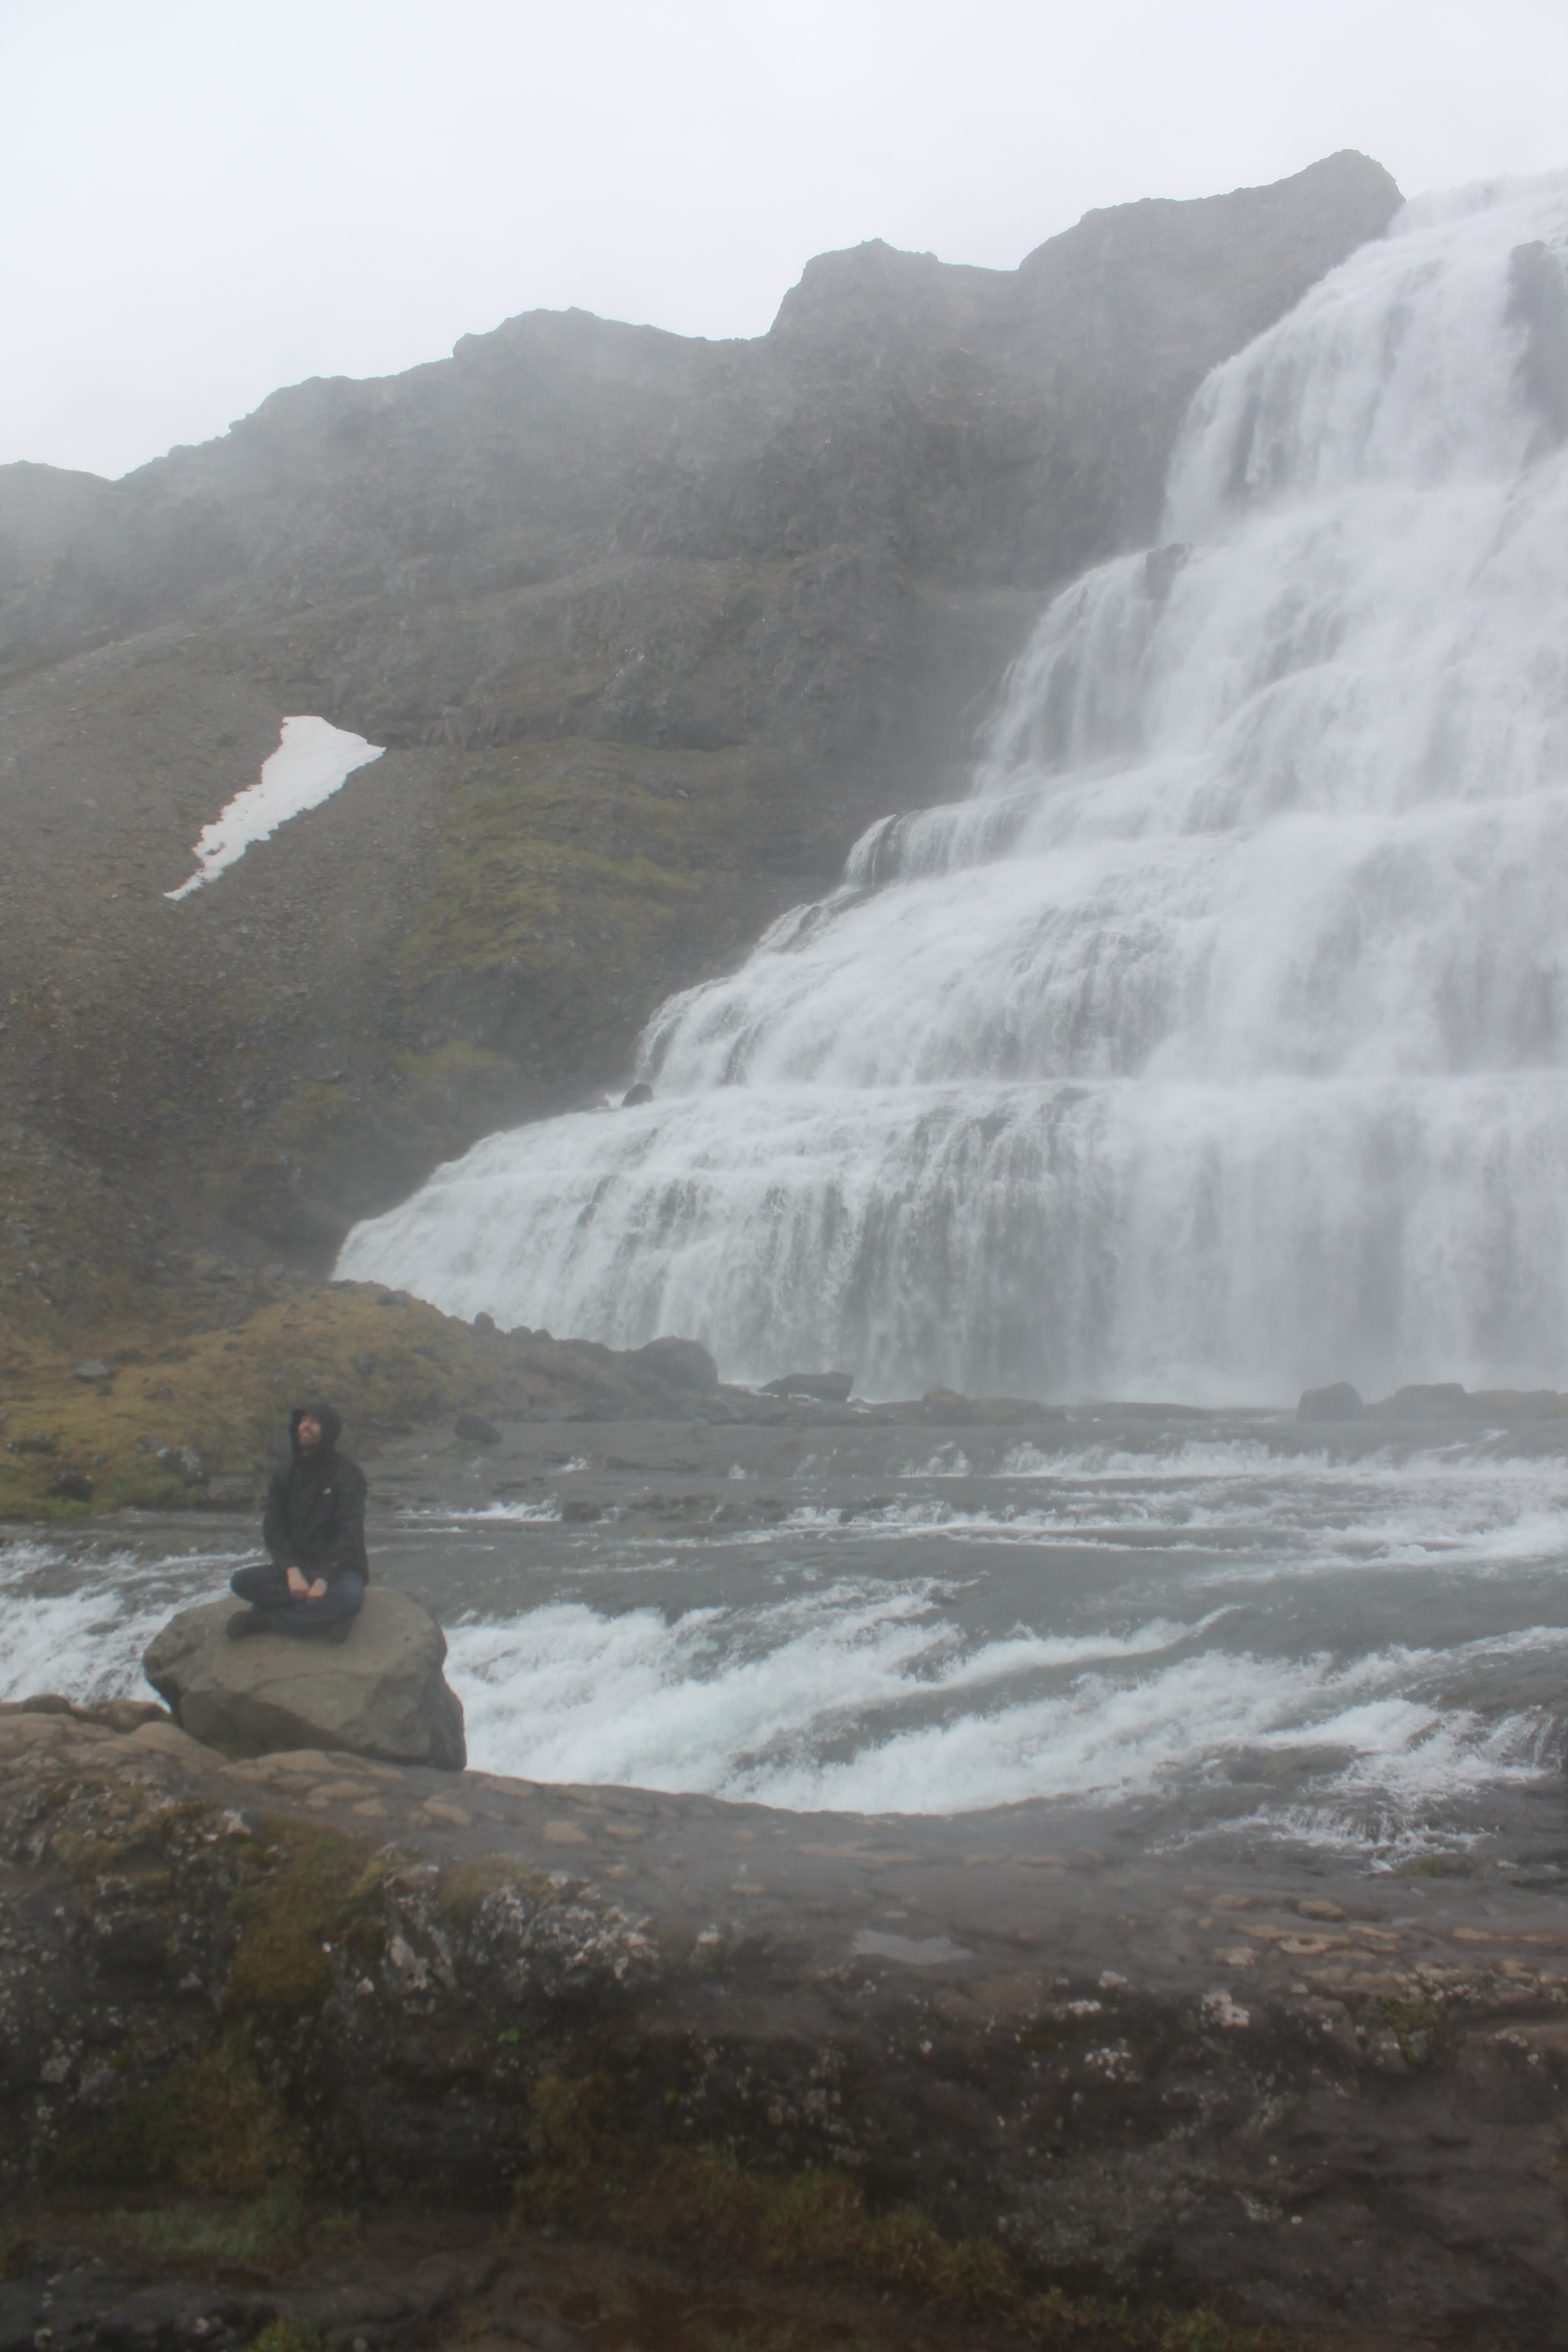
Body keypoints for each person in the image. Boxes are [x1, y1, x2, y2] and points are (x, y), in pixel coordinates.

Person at [228, 1401, 368, 1640]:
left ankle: (268, 1620)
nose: (306, 1426)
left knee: (350, 1598)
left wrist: (324, 1579)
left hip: (340, 1571)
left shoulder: (348, 1474)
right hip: (298, 1571)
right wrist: (291, 1570)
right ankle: (323, 1618)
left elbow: (349, 1534)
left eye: (314, 1422)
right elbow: (274, 1529)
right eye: (303, 1420)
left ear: (329, 1429)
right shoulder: (284, 1474)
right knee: (241, 1582)